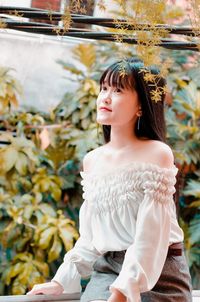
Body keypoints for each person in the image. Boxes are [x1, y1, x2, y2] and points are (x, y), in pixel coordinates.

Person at [27, 58, 192, 302]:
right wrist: (60, 281)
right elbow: (91, 238)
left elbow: (150, 236)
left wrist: (122, 293)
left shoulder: (157, 154)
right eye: (104, 88)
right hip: (108, 268)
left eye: (117, 90)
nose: (105, 97)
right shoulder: (92, 161)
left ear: (141, 106)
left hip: (159, 270)